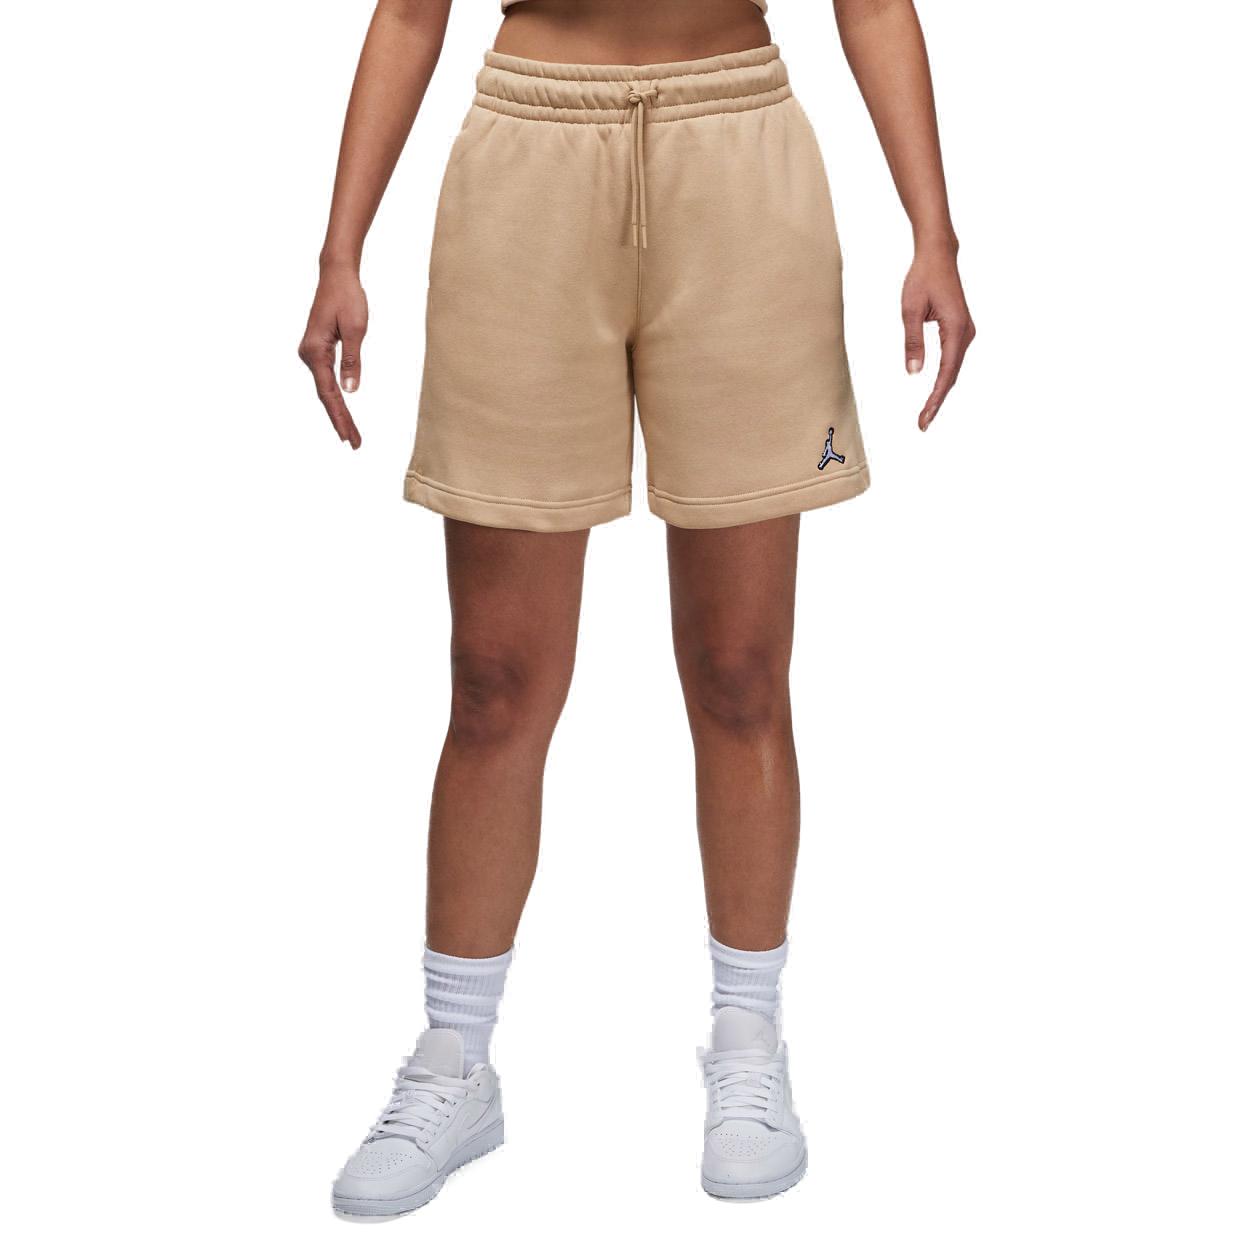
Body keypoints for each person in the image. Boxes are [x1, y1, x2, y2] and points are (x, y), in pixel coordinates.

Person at [299, 0, 974, 1214]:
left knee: (739, 667)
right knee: (494, 677)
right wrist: (338, 251)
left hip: (738, 153)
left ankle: (748, 1039)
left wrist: (934, 232)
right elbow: (408, 12)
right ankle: (453, 1059)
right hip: (527, 154)